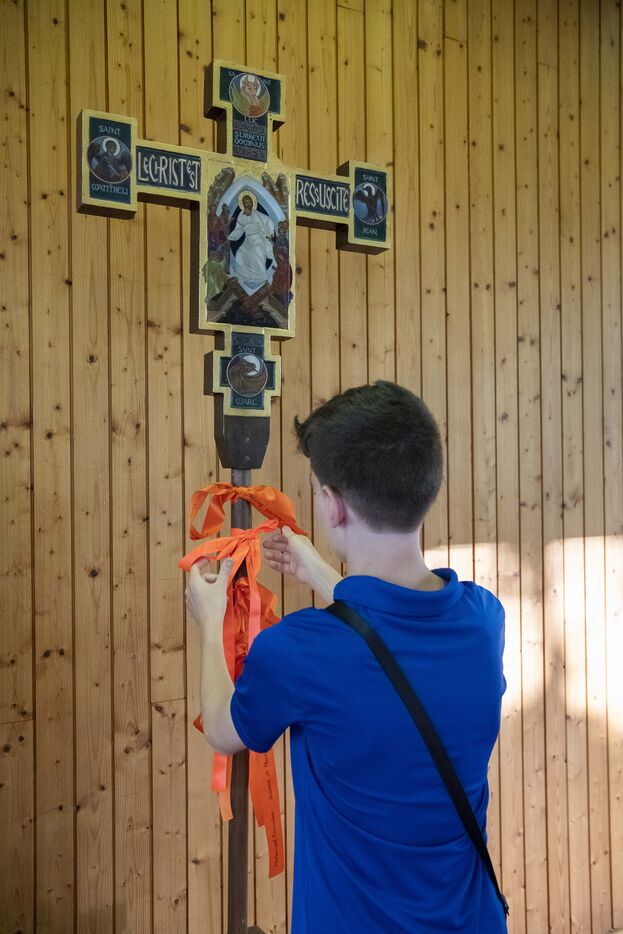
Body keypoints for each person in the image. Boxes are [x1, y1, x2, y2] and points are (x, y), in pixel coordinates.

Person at [185, 381, 507, 933]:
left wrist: (211, 622)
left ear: (332, 505)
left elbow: (222, 729)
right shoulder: (483, 620)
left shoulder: (301, 650)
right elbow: (391, 637)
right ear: (426, 486)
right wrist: (321, 575)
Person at [227, 194, 276, 295]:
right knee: (240, 254)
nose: (248, 204)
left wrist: (270, 233)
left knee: (258, 252)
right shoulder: (241, 215)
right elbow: (238, 229)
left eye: (249, 202)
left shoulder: (257, 214)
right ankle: (244, 278)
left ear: (253, 203)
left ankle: (261, 279)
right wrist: (229, 238)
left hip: (258, 239)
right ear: (243, 204)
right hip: (248, 239)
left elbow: (268, 220)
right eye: (246, 202)